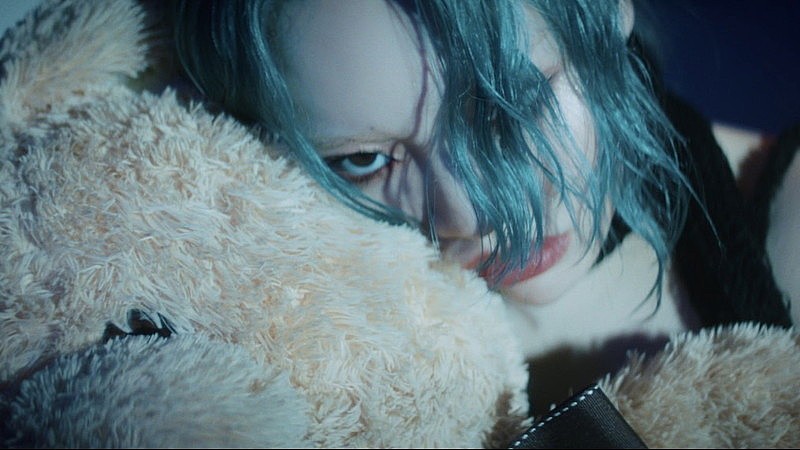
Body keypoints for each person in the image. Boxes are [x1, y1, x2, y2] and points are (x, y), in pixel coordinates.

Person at [171, 0, 797, 415]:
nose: (470, 216)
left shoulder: (784, 217)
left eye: (512, 103)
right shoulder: (293, 337)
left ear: (607, 10)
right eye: (364, 159)